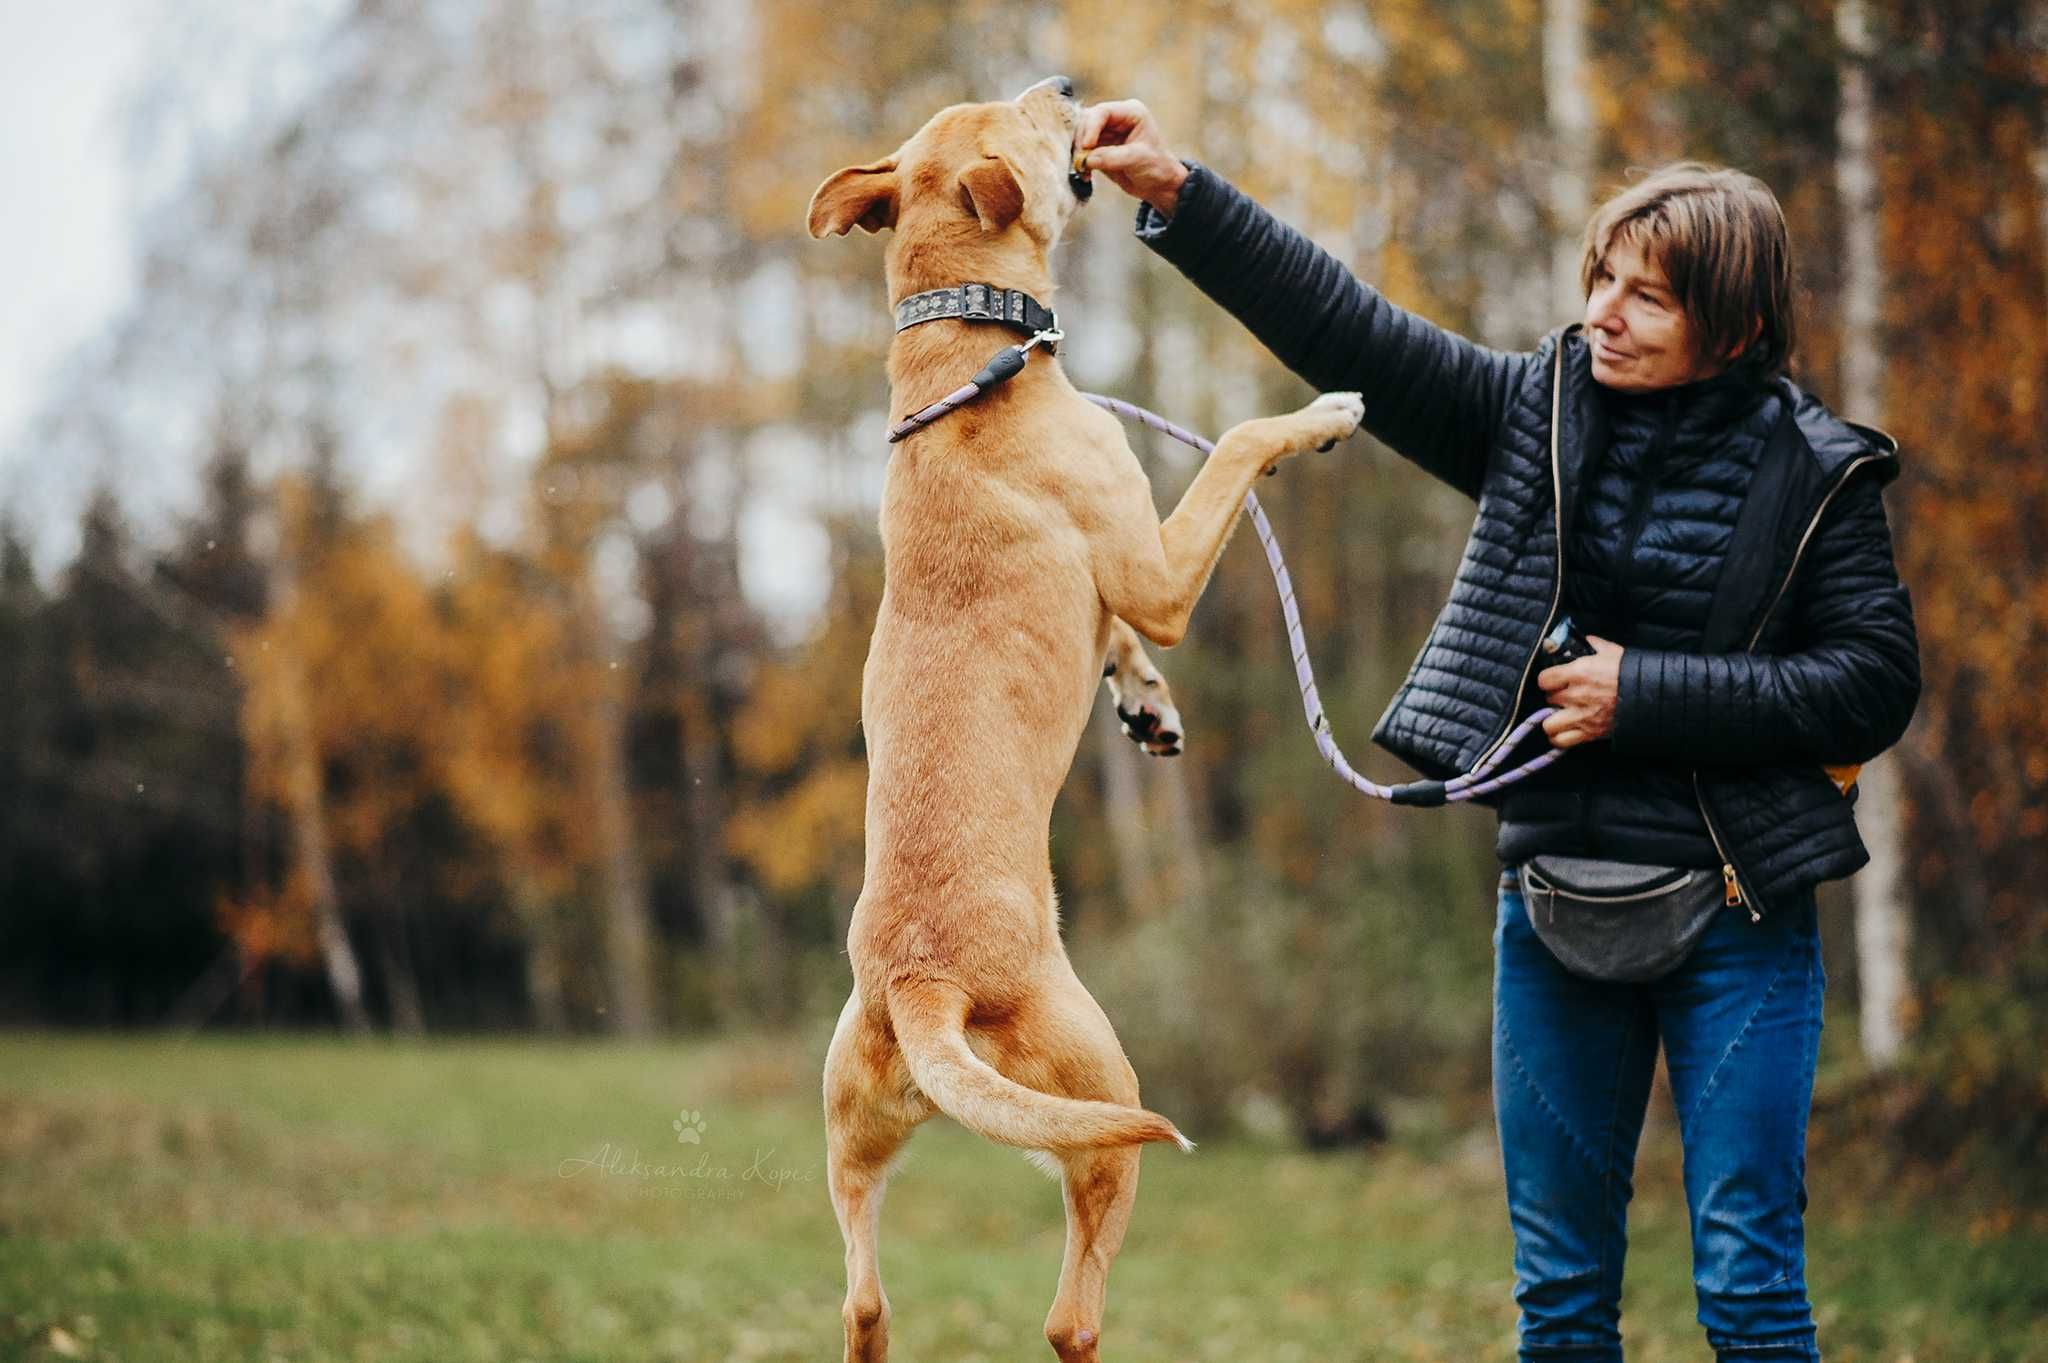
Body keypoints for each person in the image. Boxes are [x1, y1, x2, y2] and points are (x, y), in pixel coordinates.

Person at [1076, 100, 1920, 1363]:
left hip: (1739, 920)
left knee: (1747, 1290)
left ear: (1734, 326)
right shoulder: (1537, 412)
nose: (1604, 313)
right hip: (1551, 910)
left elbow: (1870, 684)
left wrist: (1647, 694)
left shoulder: (1820, 471)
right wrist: (1180, 193)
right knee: (1560, 1304)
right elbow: (1350, 329)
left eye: (1647, 297)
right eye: (1600, 280)